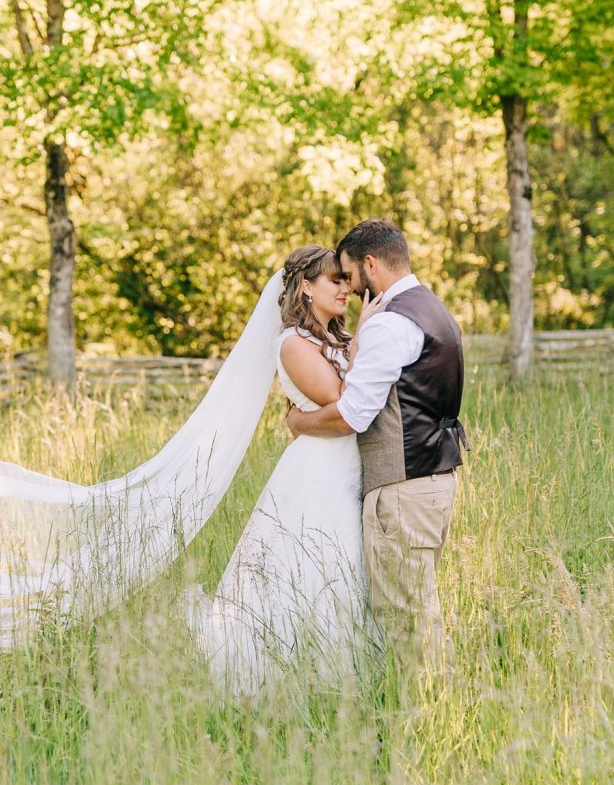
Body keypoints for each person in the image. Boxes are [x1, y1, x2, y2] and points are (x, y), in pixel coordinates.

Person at [185, 245, 383, 696]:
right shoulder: (293, 344)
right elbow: (341, 397)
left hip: (348, 465)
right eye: (334, 280)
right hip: (316, 471)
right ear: (306, 287)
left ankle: (349, 673)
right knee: (315, 562)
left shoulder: (341, 339)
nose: (346, 288)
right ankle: (296, 674)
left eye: (345, 280)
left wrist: (358, 339)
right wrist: (364, 339)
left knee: (349, 566)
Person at [287, 219, 466, 673]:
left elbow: (353, 415)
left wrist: (299, 421)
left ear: (370, 264)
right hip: (434, 478)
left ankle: (421, 722)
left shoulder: (391, 324)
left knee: (404, 619)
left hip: (402, 487)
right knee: (418, 610)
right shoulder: (434, 310)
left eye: (348, 275)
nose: (347, 286)